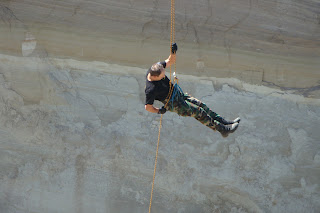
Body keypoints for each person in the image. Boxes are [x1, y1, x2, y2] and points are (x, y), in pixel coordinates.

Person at [144, 43, 240, 137]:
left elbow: (170, 61)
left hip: (179, 95)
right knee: (199, 112)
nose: (164, 75)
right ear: (155, 76)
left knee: (202, 106)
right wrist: (159, 111)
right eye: (162, 75)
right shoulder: (150, 89)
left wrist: (173, 53)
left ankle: (224, 122)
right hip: (175, 104)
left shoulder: (157, 68)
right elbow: (148, 107)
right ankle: (224, 130)